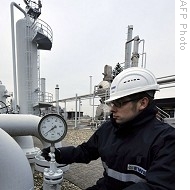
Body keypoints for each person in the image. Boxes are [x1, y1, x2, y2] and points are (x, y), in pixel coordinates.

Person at [42, 67, 175, 190]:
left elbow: (158, 187)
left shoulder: (167, 140)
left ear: (142, 103)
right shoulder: (108, 129)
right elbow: (86, 151)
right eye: (112, 103)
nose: (112, 108)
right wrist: (59, 154)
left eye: (119, 103)